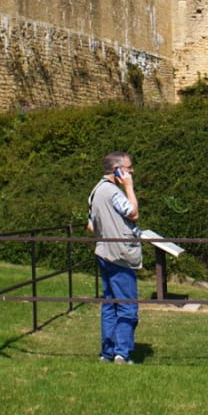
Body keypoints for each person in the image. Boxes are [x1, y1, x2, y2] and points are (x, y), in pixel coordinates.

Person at [87, 152, 141, 364]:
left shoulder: (96, 191)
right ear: (118, 170)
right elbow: (133, 213)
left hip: (104, 253)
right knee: (127, 306)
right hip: (120, 255)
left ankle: (107, 352)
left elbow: (90, 226)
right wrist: (129, 187)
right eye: (129, 168)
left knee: (110, 304)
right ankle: (122, 353)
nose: (131, 172)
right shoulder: (114, 192)